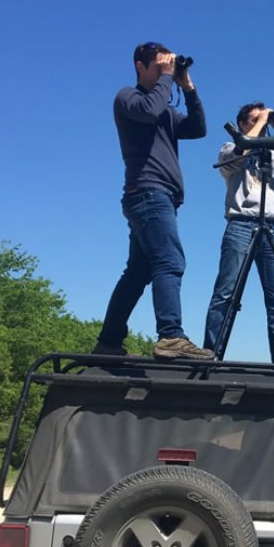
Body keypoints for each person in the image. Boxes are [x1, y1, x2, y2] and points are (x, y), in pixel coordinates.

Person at [94, 42, 214, 359]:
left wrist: (187, 86)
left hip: (159, 198)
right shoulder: (128, 98)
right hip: (148, 193)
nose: (165, 73)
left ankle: (108, 342)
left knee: (137, 272)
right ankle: (171, 337)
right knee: (170, 262)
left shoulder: (166, 111)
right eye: (158, 66)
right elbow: (148, 111)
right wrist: (165, 77)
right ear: (139, 66)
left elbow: (199, 128)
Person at [203, 102, 274, 363]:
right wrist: (261, 121)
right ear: (241, 124)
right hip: (240, 224)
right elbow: (242, 147)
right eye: (253, 120)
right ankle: (211, 355)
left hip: (271, 228)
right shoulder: (231, 149)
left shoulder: (272, 154)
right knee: (225, 295)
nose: (260, 124)